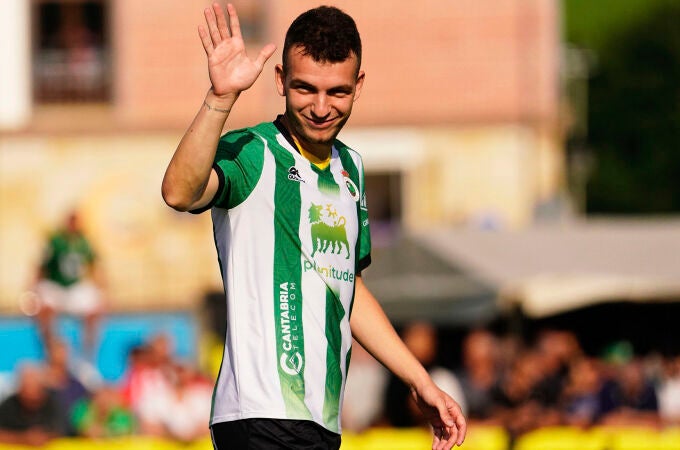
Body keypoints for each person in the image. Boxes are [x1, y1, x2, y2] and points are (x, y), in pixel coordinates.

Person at [161, 3, 466, 450]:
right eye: (305, 89)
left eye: (337, 92)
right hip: (259, 413)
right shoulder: (254, 152)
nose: (321, 108)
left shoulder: (351, 170)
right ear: (281, 79)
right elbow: (179, 193)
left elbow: (347, 288)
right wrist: (220, 99)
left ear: (358, 86)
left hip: (320, 420)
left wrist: (419, 380)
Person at [33, 210, 105, 358]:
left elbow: (94, 266)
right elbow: (42, 266)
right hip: (55, 285)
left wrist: (103, 289)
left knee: (95, 310)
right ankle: (49, 349)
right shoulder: (55, 242)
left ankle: (87, 353)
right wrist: (34, 289)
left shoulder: (84, 242)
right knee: (44, 310)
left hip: (74, 288)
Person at [0, 364, 66, 446]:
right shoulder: (9, 405)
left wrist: (43, 438)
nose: (30, 394)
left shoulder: (51, 404)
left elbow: (61, 431)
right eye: (26, 386)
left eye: (33, 386)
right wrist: (23, 438)